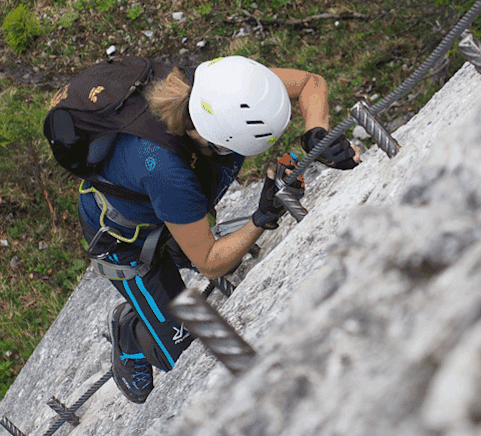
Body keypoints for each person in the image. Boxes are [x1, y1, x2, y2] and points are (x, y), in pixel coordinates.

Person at [78, 55, 360, 403]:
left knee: (204, 245)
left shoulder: (222, 89)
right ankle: (131, 334)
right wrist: (262, 217)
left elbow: (309, 83)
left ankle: (173, 252)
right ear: (223, 143)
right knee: (177, 356)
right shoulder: (168, 172)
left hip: (164, 206)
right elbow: (210, 261)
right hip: (126, 240)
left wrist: (316, 134)